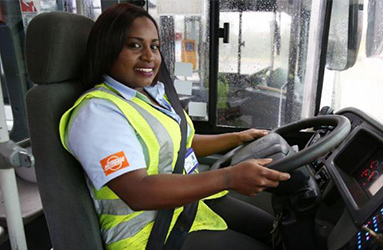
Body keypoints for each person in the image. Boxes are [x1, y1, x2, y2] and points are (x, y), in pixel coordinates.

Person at [59, 3, 291, 250]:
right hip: (147, 234)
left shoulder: (148, 95)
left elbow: (184, 144)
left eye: (155, 46)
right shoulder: (98, 112)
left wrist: (238, 137)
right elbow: (137, 192)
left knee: (277, 232)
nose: (149, 56)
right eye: (135, 45)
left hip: (185, 206)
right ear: (108, 49)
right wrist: (229, 177)